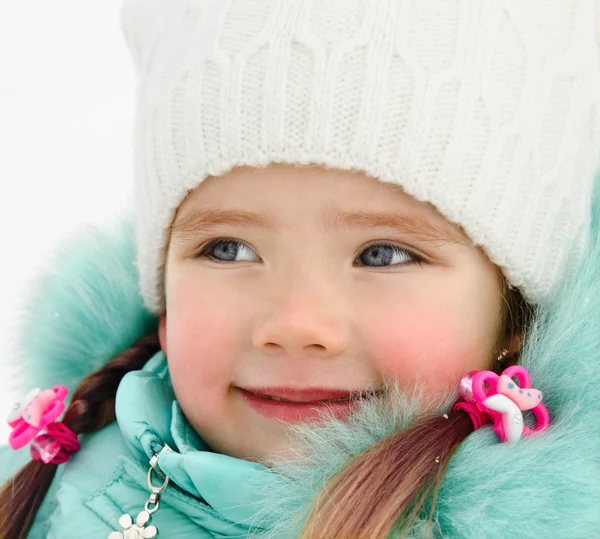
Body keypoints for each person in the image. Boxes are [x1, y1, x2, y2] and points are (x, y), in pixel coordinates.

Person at [2, 1, 600, 537]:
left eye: (383, 254)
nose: (294, 324)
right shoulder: (44, 493)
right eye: (228, 249)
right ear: (162, 293)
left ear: (515, 309)